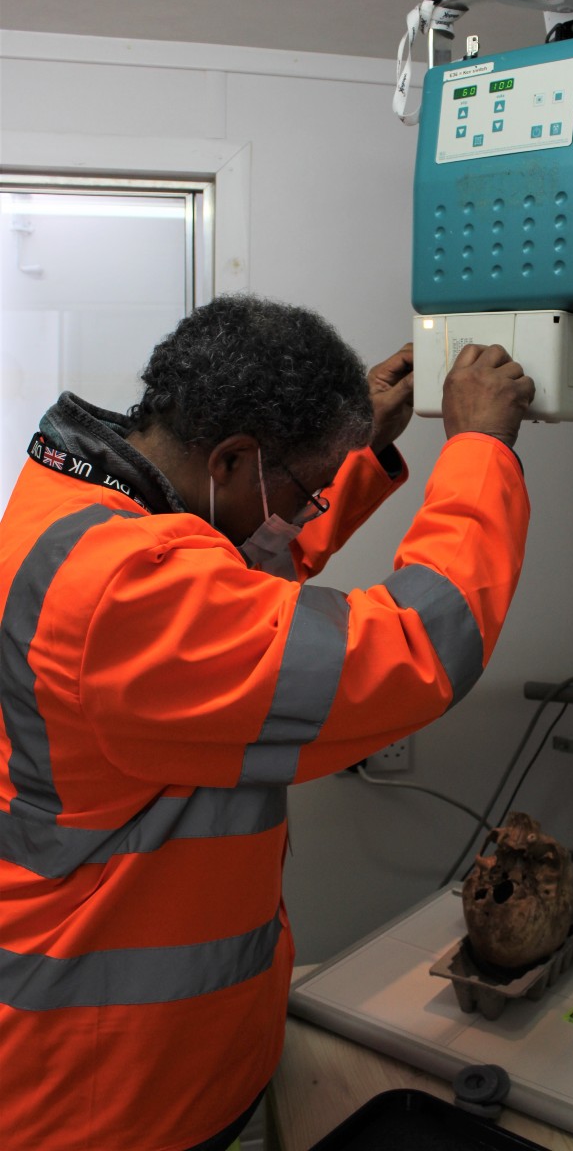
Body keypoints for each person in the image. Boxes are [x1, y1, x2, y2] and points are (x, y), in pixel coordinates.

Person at [0, 294, 534, 1151]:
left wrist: (362, 450)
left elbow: (240, 580)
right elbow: (414, 649)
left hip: (155, 1061)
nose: (309, 503)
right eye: (305, 483)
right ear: (236, 456)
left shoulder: (86, 515)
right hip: (104, 1100)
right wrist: (477, 453)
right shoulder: (122, 595)